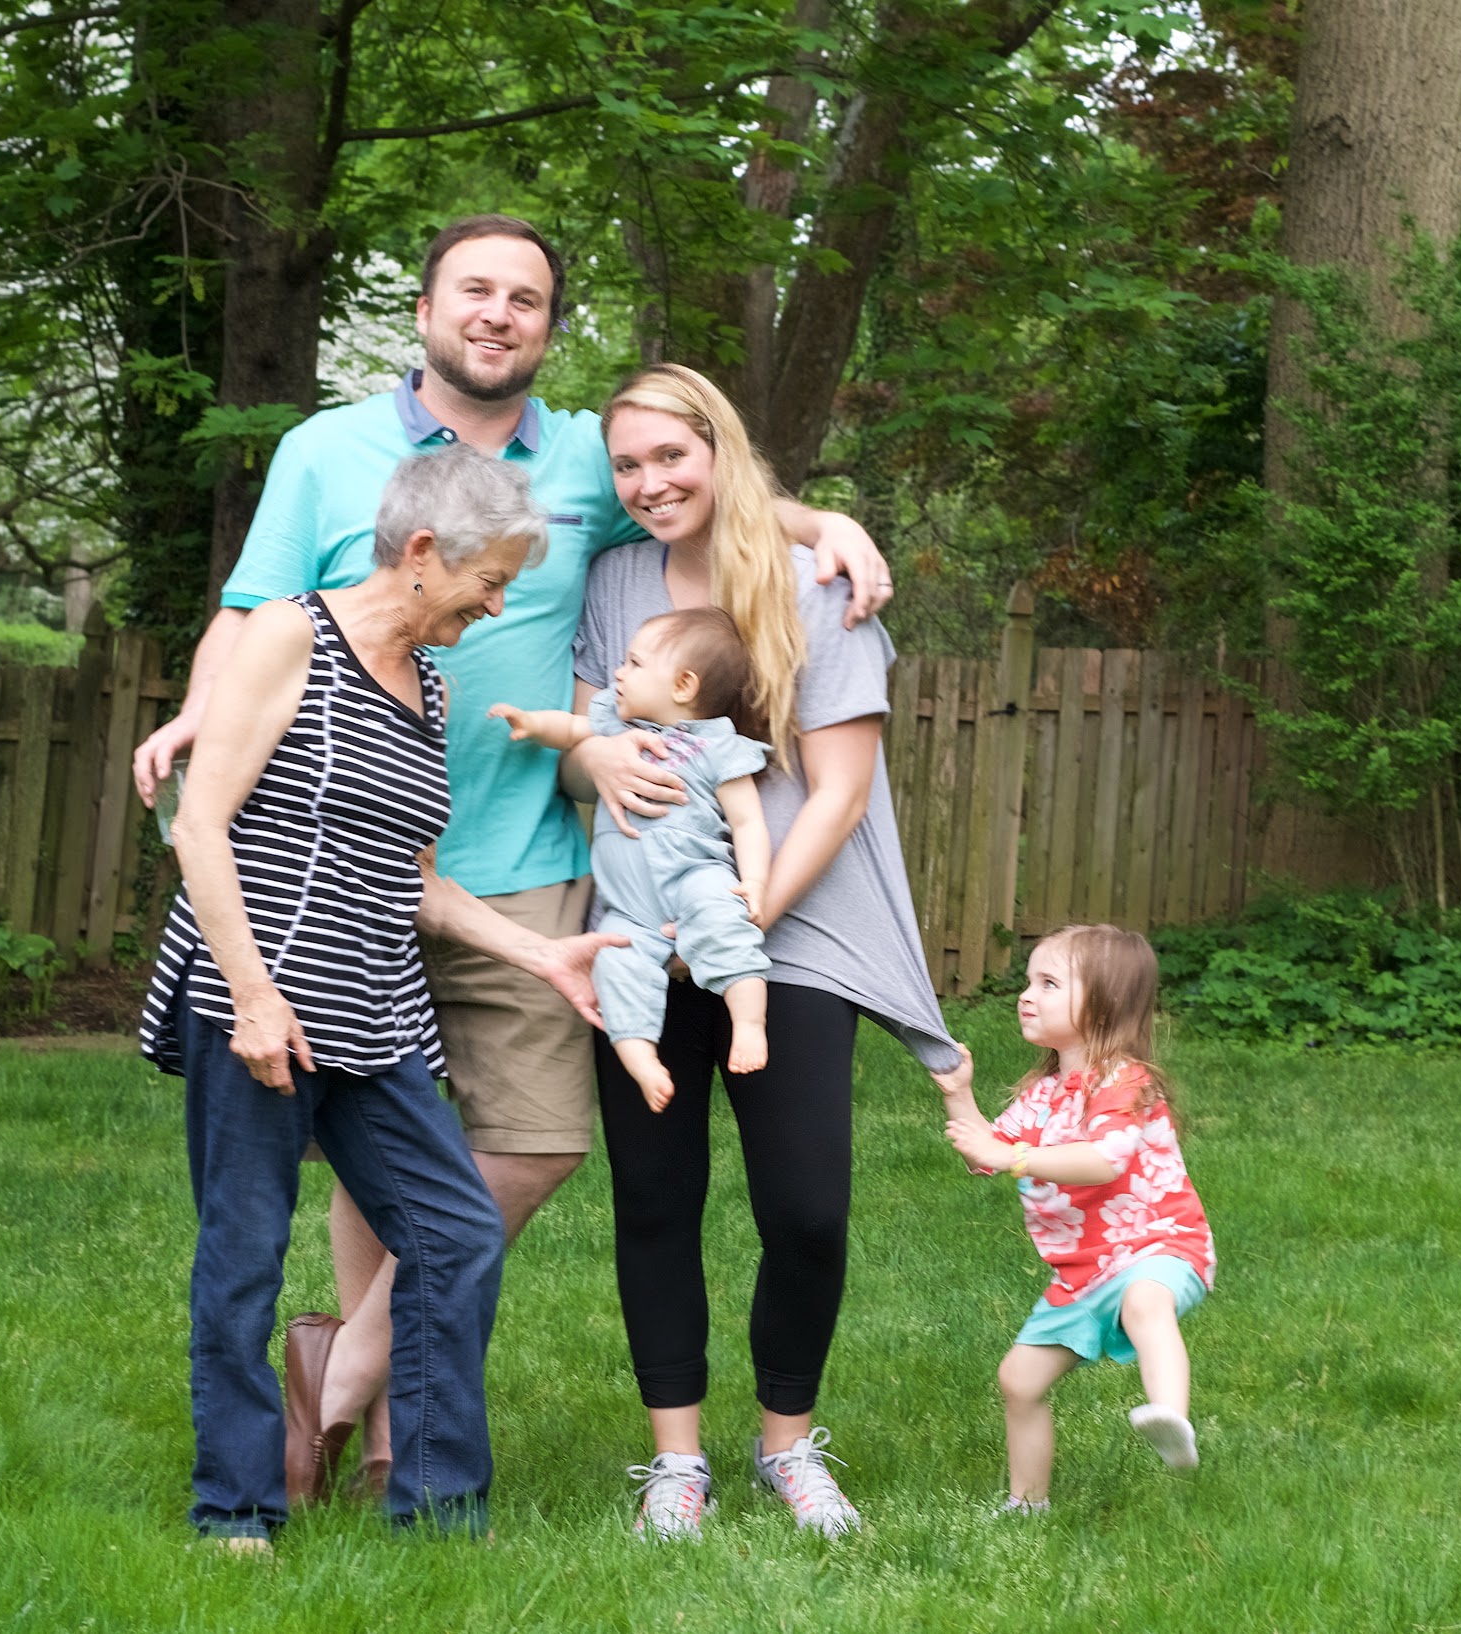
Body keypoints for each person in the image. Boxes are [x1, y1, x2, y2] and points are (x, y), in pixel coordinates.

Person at [130, 215, 893, 1491]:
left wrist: (828, 524)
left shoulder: (590, 456)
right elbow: (251, 611)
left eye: (525, 298)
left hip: (526, 852)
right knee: (370, 1163)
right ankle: (385, 1450)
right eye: (474, 290)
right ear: (426, 307)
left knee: (532, 1144)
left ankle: (341, 1372)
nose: (497, 313)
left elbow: (701, 483)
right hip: (352, 861)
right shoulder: (327, 450)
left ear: (548, 324)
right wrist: (206, 712)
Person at [138, 443, 621, 1546]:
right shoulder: (289, 634)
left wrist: (540, 954)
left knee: (453, 1231)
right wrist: (252, 996)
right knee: (243, 1257)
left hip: (373, 1009)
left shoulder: (429, 678)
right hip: (264, 1001)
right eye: (487, 579)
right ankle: (236, 1508)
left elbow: (417, 881)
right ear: (418, 553)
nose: (496, 605)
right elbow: (200, 824)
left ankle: (441, 1509)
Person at [559, 363, 960, 1542]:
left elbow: (834, 793)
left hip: (791, 934)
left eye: (668, 457)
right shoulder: (613, 578)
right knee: (654, 1194)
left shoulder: (815, 583)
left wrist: (734, 926)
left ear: (721, 449)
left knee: (805, 1209)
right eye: (626, 464)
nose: (647, 483)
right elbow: (589, 731)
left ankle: (786, 1441)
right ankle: (673, 1462)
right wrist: (593, 760)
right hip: (636, 928)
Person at [928, 924, 1216, 1515]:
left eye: (1049, 983)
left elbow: (1103, 1161)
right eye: (1029, 980)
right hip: (1084, 1274)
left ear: (1104, 1001)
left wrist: (1015, 1158)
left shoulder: (1126, 1081)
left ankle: (1171, 1419)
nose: (1026, 994)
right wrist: (960, 1094)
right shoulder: (1045, 1092)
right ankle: (1027, 1505)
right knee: (1019, 1381)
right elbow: (989, 1150)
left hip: (1160, 1245)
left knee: (1144, 1303)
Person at [489, 606, 774, 1109]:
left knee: (727, 927)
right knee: (616, 965)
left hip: (696, 877)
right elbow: (573, 727)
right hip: (629, 906)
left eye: (634, 664)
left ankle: (748, 1025)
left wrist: (753, 881)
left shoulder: (719, 747)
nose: (618, 672)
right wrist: (533, 723)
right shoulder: (614, 728)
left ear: (684, 685)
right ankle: (642, 1059)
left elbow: (748, 821)